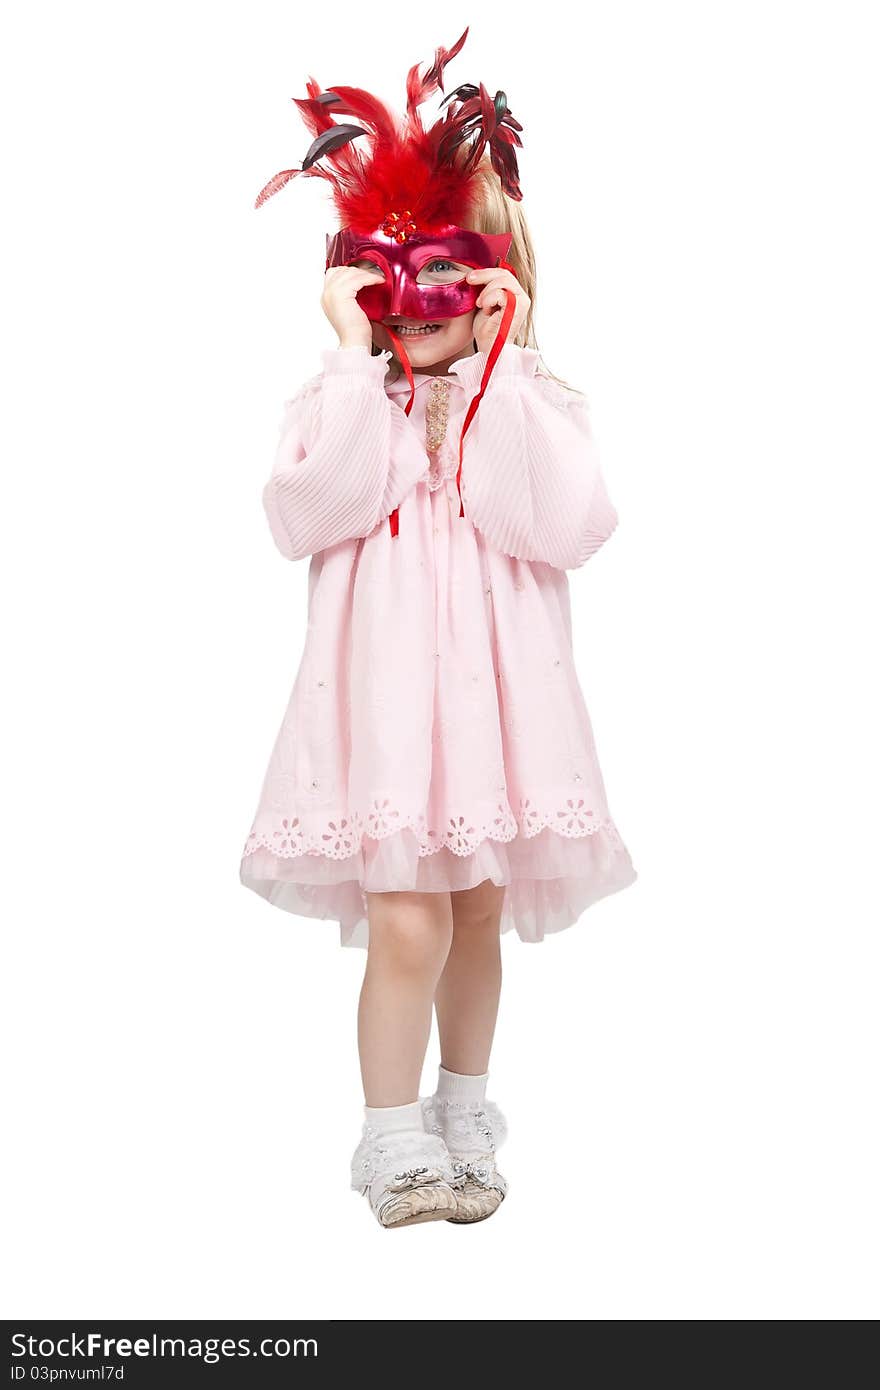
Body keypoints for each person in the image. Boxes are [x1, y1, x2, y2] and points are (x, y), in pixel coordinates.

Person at [240, 28, 638, 1229]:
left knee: (473, 909)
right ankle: (387, 1135)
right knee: (407, 910)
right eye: (391, 271)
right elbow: (307, 512)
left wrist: (503, 365)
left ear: (495, 283)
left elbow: (559, 526)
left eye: (445, 280)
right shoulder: (341, 403)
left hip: (500, 712)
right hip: (382, 713)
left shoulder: (529, 403)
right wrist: (358, 358)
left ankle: (466, 1108)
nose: (418, 302)